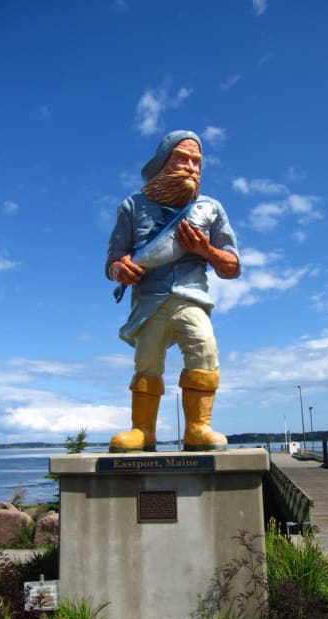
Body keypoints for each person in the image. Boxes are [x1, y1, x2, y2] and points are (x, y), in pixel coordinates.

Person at [106, 130, 241, 453]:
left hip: (191, 296)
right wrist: (118, 268)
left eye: (197, 162)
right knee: (147, 362)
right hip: (149, 300)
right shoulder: (132, 206)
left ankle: (197, 429)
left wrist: (205, 249)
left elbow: (232, 266)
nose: (192, 167)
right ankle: (142, 431)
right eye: (183, 159)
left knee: (204, 350)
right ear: (163, 163)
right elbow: (113, 258)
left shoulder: (210, 208)